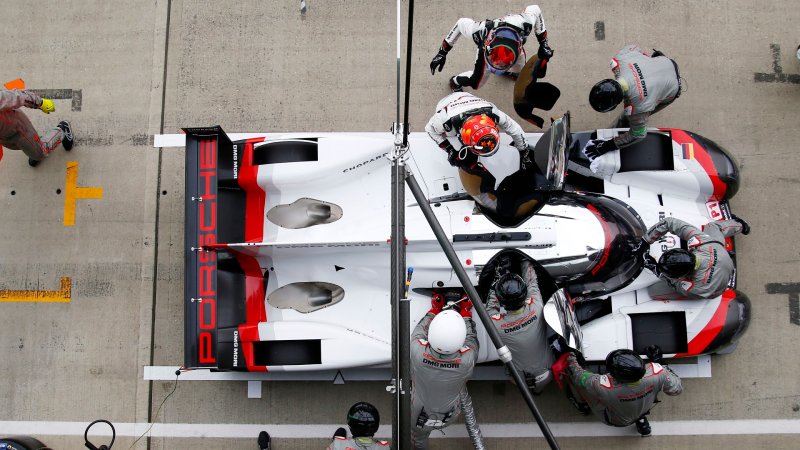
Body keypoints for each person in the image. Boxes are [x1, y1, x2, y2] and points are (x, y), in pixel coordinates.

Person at [425, 92, 543, 219]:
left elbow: (516, 130)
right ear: (463, 138)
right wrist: (449, 150)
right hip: (448, 105)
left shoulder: (493, 113)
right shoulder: (443, 121)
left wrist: (523, 151)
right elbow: (429, 129)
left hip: (471, 99)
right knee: (452, 140)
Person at [584, 44, 681, 159]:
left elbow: (638, 135)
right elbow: (635, 48)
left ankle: (622, 126)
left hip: (673, 86)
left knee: (626, 119)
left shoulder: (640, 107)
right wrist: (648, 61)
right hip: (665, 61)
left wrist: (607, 146)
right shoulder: (621, 59)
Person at [429, 5, 553, 92]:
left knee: (520, 69)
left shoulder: (524, 23)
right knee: (476, 82)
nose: (496, 67)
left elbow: (535, 8)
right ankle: (455, 82)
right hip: (489, 53)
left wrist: (443, 52)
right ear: (487, 42)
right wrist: (543, 43)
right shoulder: (480, 30)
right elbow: (461, 23)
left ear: (519, 46)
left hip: (503, 53)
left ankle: (510, 70)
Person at [410, 293, 478, 449]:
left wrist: (435, 309)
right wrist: (466, 312)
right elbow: (471, 339)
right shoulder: (467, 360)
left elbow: (418, 331)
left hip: (418, 418)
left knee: (418, 439)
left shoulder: (417, 351)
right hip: (449, 416)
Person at [563, 347, 682, 436]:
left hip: (614, 420)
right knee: (638, 409)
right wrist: (659, 361)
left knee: (579, 386)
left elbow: (579, 376)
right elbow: (676, 389)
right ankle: (640, 420)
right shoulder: (657, 372)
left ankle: (581, 405)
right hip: (642, 408)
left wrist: (571, 358)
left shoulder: (602, 385)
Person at [486, 257, 554, 394]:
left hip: (518, 378)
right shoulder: (536, 306)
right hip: (548, 371)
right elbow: (531, 280)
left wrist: (497, 280)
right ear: (524, 295)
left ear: (503, 303)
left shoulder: (496, 324)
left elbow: (490, 307)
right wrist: (523, 259)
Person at [642, 215, 750, 299]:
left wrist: (655, 269)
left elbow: (675, 284)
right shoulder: (702, 241)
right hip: (720, 253)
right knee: (711, 227)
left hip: (716, 287)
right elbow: (670, 222)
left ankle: (740, 228)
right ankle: (741, 225)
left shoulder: (693, 287)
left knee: (654, 292)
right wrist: (645, 240)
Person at [0, 88, 73, 167]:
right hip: (3, 134)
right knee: (16, 147)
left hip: (17, 129)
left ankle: (62, 130)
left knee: (40, 154)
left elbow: (17, 97)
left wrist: (40, 103)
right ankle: (34, 148)